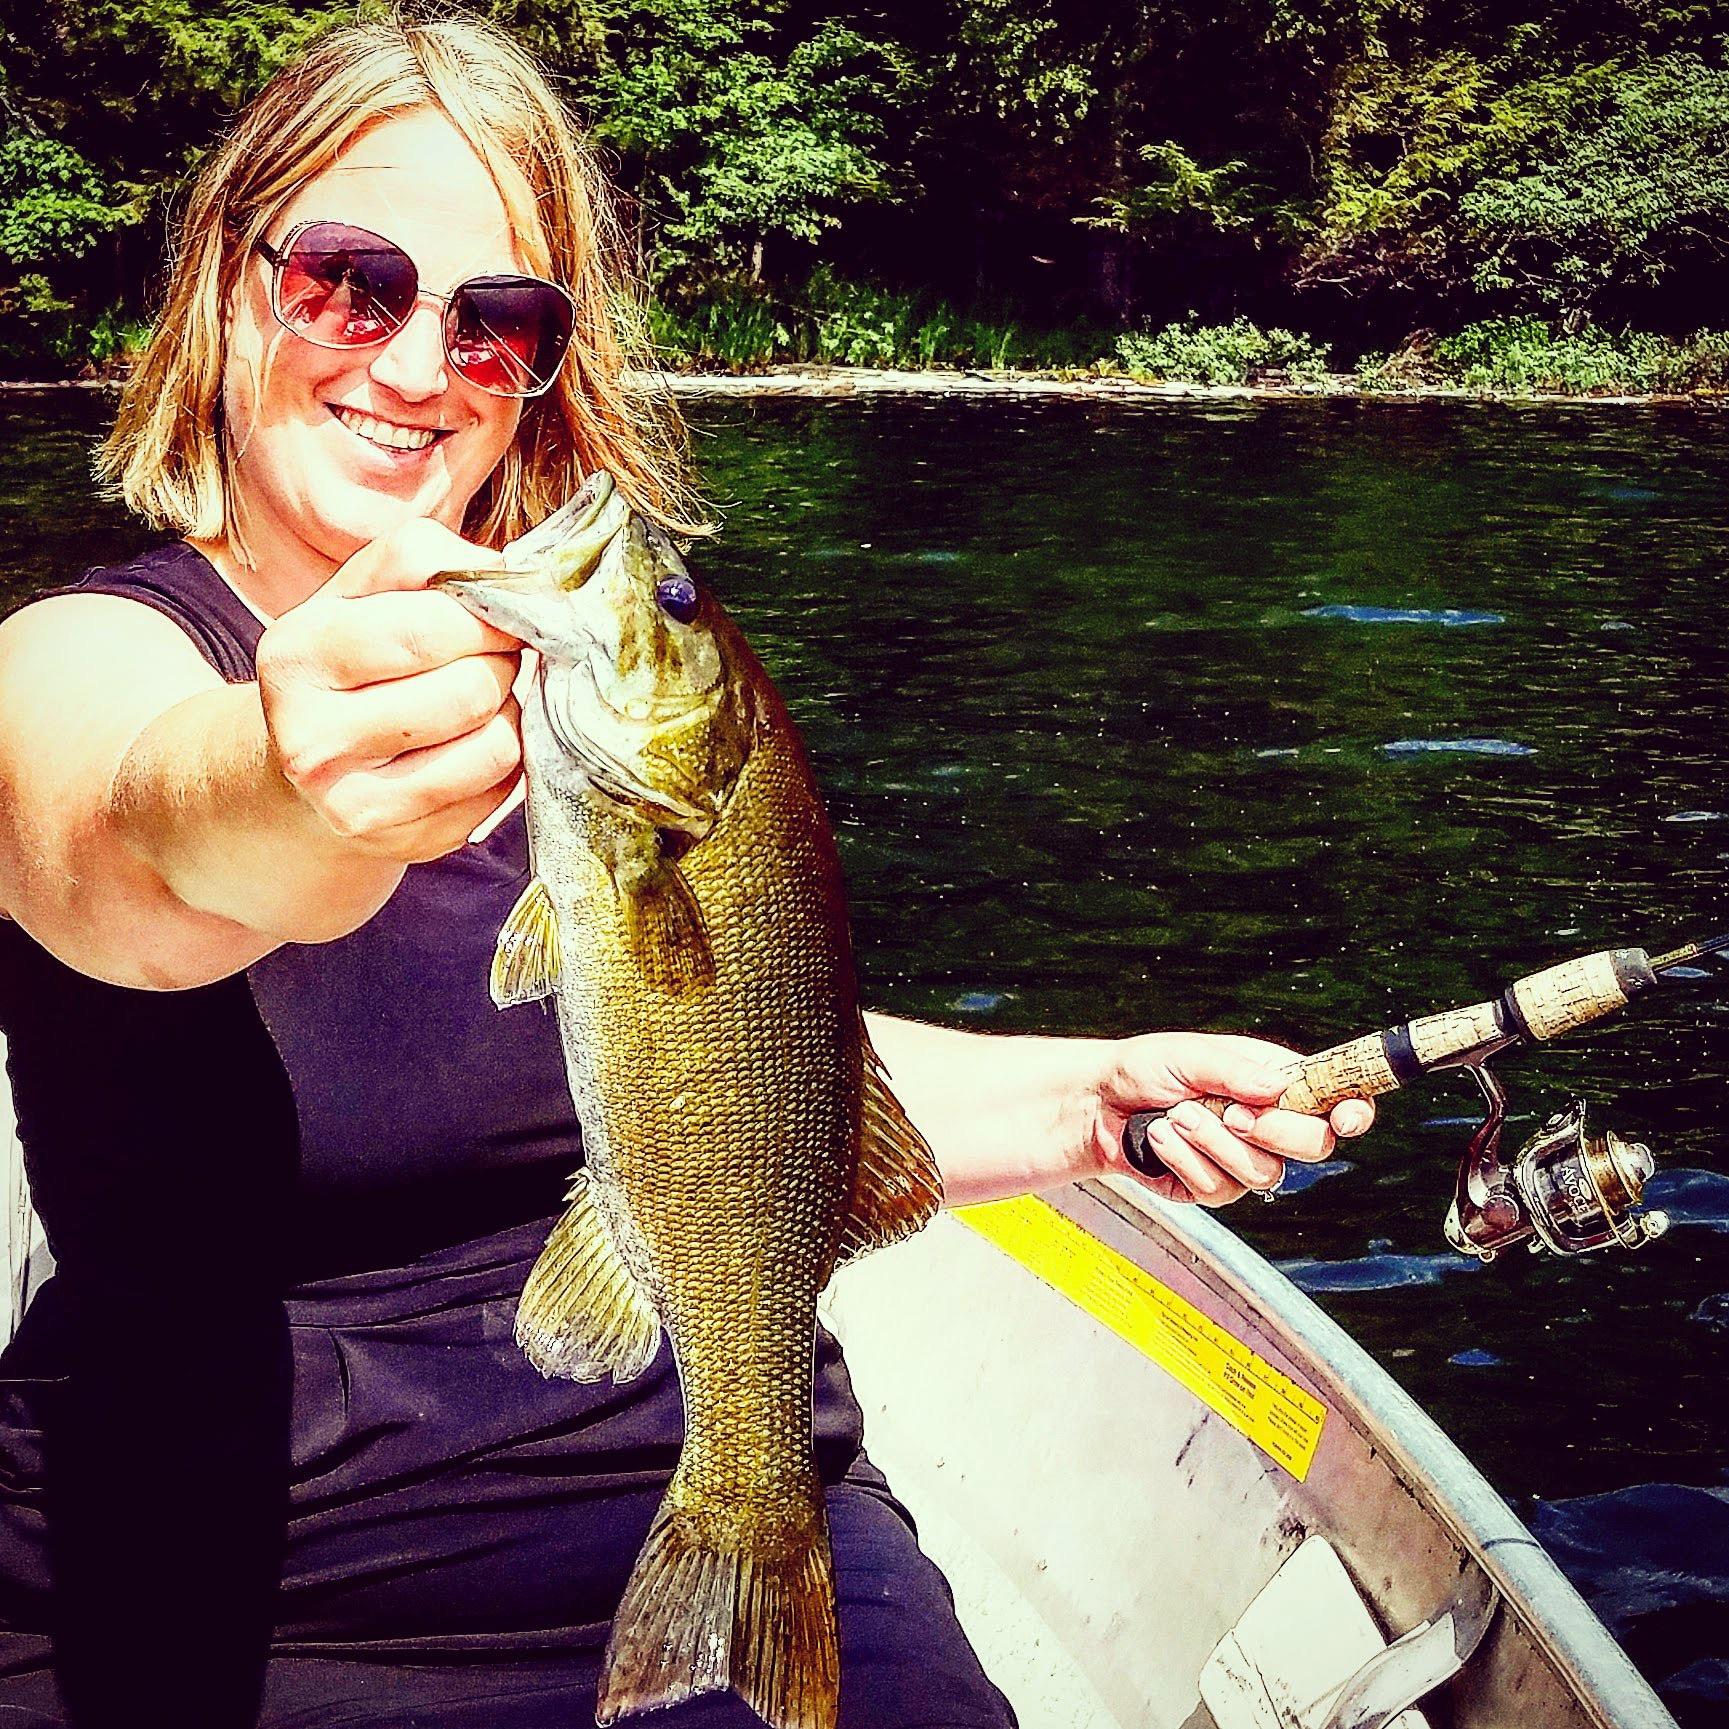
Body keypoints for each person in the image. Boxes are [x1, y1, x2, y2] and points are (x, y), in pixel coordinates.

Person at [0, 14, 1374, 1729]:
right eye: (351, 283)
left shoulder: (584, 685)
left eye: (496, 321)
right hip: (218, 1578)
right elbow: (126, 842)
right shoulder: (73, 662)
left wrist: (1086, 1099)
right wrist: (290, 785)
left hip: (717, 1477)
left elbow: (735, 1050)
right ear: (227, 285)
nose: (419, 367)